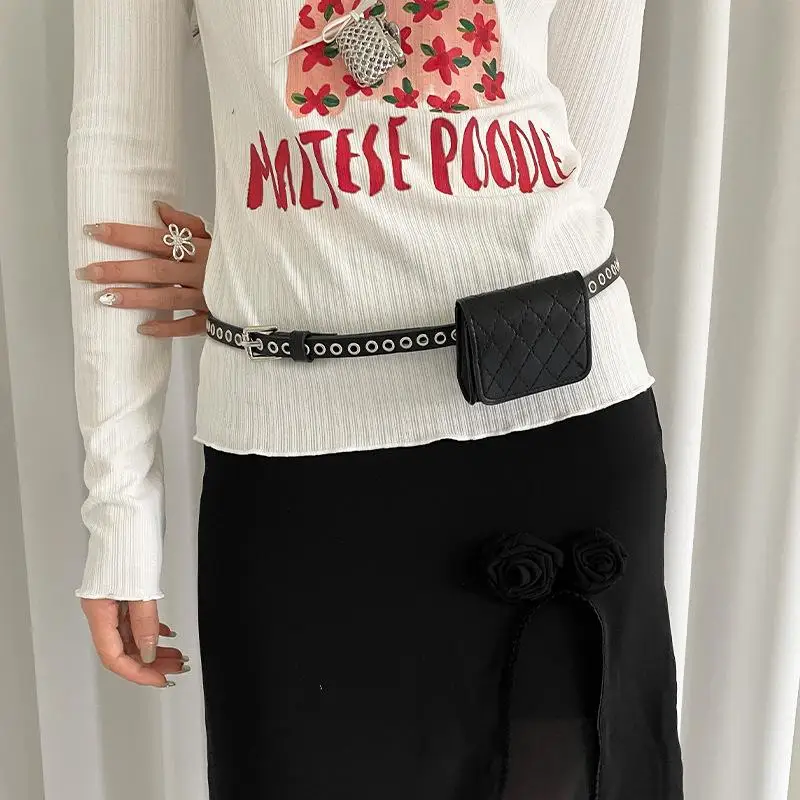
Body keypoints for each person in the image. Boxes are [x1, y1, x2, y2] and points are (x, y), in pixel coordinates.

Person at [68, 1, 684, 798]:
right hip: (295, 453)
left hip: (555, 415)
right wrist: (117, 506)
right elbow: (119, 140)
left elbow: (574, 166)